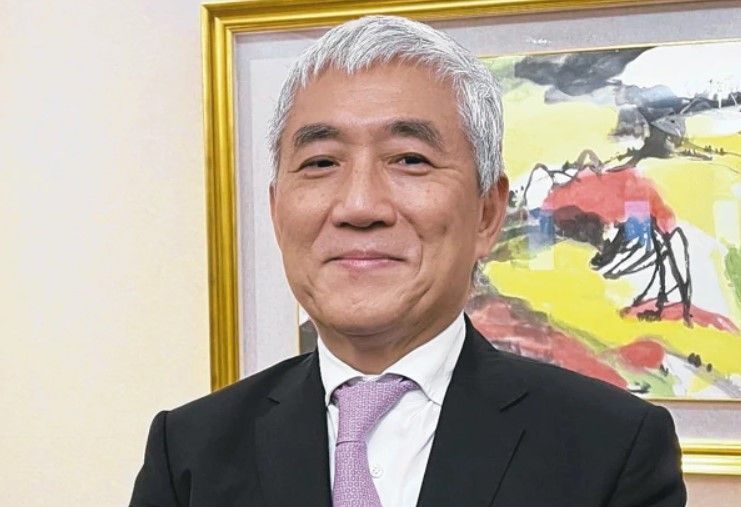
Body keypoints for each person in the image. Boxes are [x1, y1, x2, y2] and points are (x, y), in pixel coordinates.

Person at [130, 15, 686, 507]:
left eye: (410, 159)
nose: (359, 206)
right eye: (321, 162)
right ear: (277, 212)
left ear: (487, 213)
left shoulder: (611, 448)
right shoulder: (189, 451)